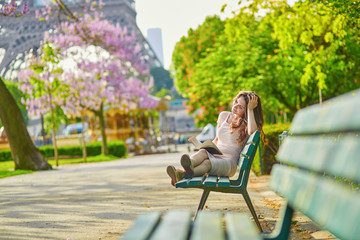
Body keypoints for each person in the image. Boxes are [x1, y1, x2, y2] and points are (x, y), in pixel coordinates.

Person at [166, 91, 264, 186]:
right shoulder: (224, 115)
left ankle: (183, 172)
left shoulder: (247, 124)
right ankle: (187, 166)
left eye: (240, 107)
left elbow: (252, 132)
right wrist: (204, 146)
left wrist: (250, 110)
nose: (235, 107)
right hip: (216, 154)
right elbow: (217, 139)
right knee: (203, 152)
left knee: (207, 163)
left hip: (228, 162)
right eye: (236, 102)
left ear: (247, 110)